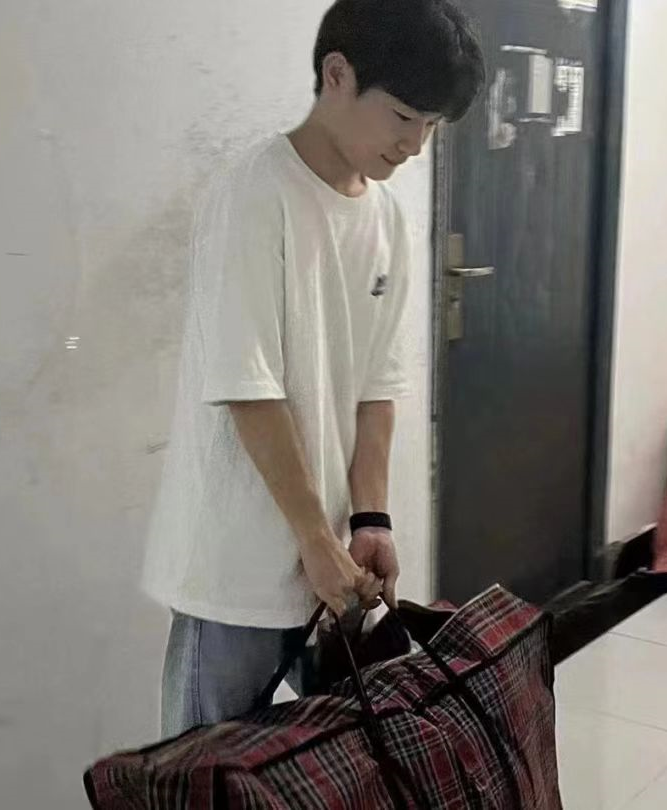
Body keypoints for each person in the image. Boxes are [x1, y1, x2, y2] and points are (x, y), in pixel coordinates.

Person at [142, 0, 485, 738]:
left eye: (431, 126)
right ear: (337, 74)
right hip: (239, 561)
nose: (415, 145)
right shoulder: (253, 195)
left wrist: (370, 520)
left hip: (333, 560)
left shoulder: (387, 219)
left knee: (338, 762)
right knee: (202, 769)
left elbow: (377, 389)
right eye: (403, 117)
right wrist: (313, 539)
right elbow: (249, 388)